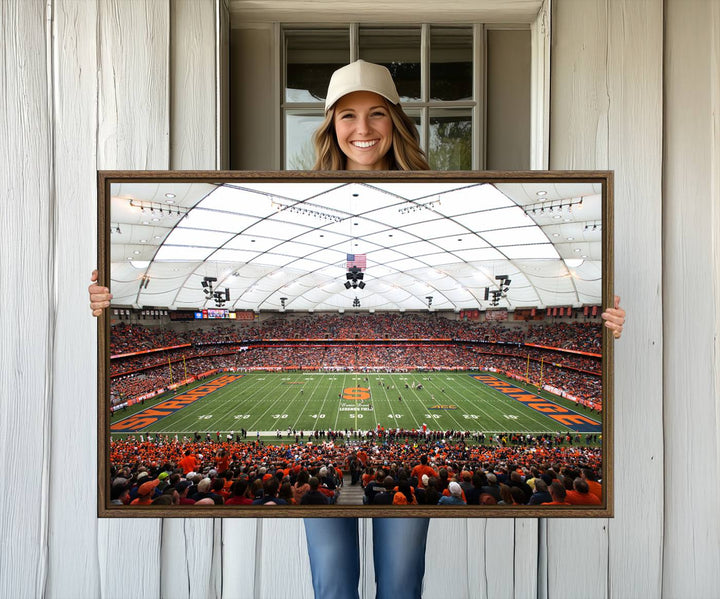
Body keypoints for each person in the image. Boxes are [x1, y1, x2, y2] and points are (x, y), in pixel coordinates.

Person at [88, 59, 626, 599]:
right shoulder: (291, 204)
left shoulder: (442, 203)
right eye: (347, 116)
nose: (362, 129)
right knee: (333, 583)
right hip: (337, 444)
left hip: (402, 432)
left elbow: (476, 277)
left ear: (395, 121)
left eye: (375, 114)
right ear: (330, 126)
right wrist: (111, 297)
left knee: (400, 583)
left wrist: (596, 317)